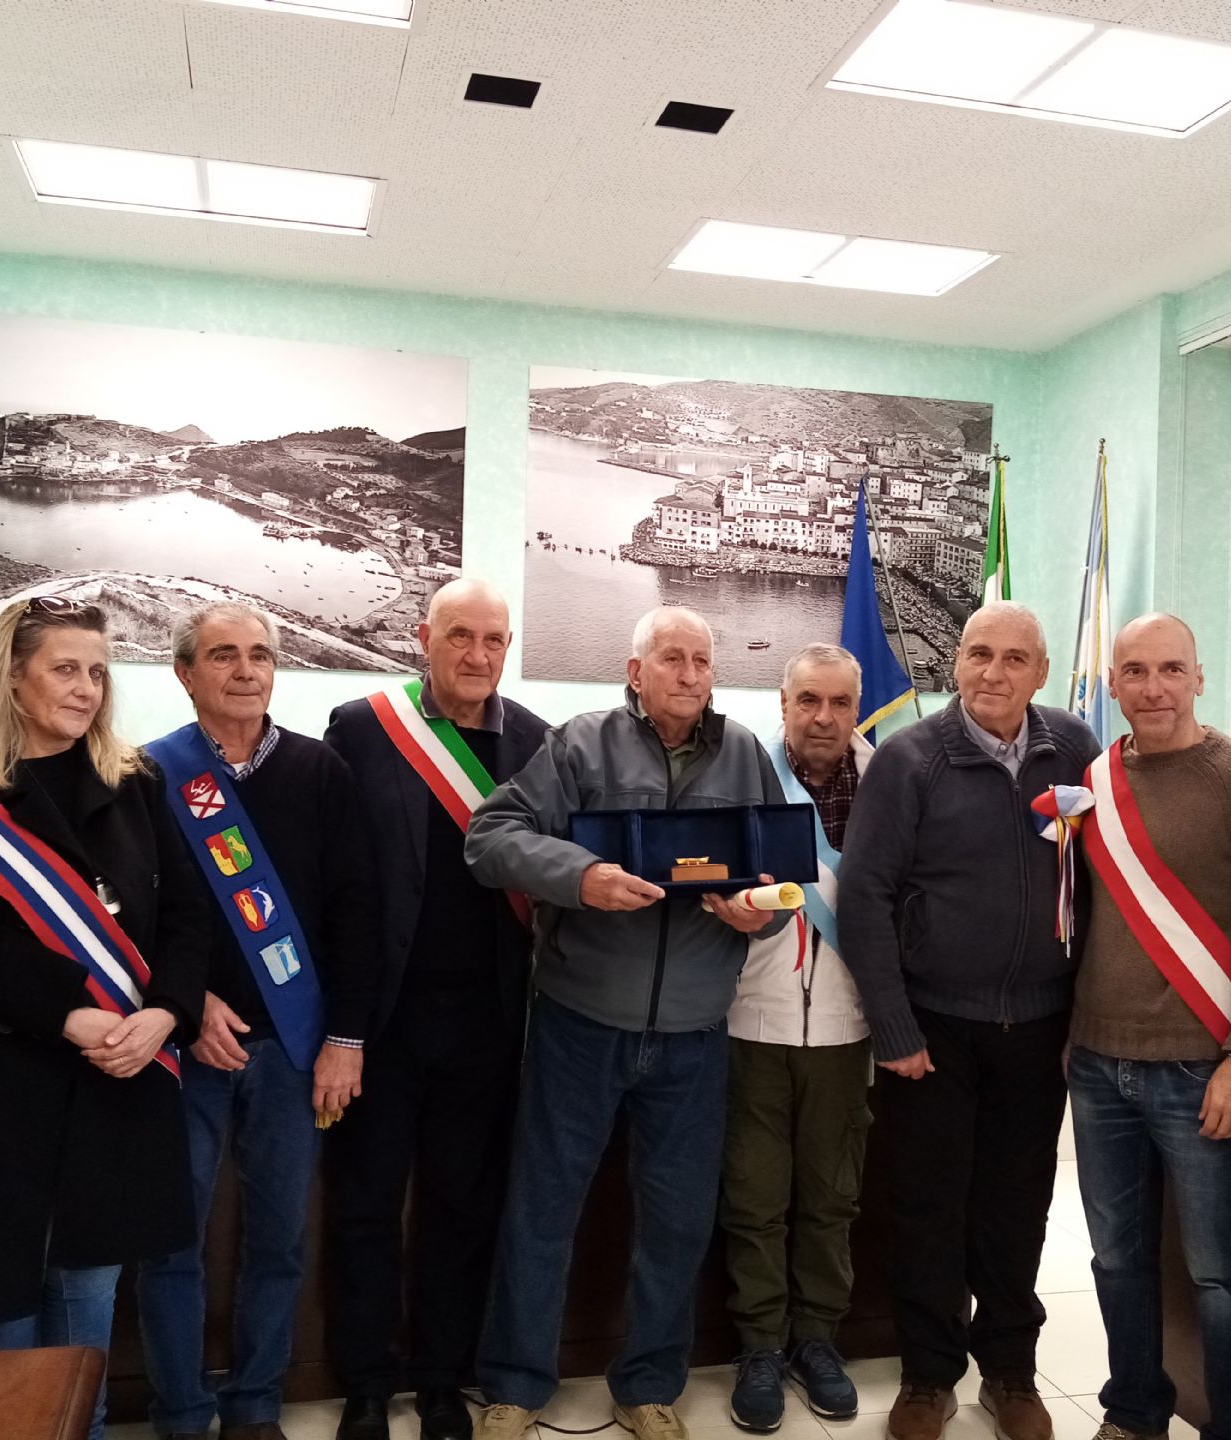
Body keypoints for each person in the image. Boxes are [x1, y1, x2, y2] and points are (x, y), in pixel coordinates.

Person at [0, 595, 207, 1440]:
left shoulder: (136, 783)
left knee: (86, 1297)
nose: (87, 688)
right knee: (1, 1312)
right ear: (11, 677)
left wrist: (167, 1012)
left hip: (117, 1080)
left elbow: (186, 917)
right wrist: (67, 1012)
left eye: (97, 672)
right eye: (65, 669)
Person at [464, 606, 788, 1440]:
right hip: (579, 1023)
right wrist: (581, 876)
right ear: (636, 671)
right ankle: (514, 1384)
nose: (690, 674)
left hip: (694, 1035)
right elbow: (490, 837)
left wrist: (764, 912)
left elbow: (781, 878)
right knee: (542, 1208)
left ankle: (648, 1385)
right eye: (672, 658)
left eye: (702, 661)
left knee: (677, 1221)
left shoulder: (746, 754)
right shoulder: (581, 743)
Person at [840, 601, 1101, 1440]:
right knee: (928, 1207)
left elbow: (1101, 887)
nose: (994, 672)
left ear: (1042, 671)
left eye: (1015, 658)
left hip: (1040, 1026)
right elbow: (866, 895)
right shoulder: (910, 758)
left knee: (1018, 1208)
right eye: (979, 653)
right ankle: (927, 1376)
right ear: (955, 662)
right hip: (934, 1029)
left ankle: (1011, 1371)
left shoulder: (1077, 750)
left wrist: (1083, 1016)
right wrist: (894, 1027)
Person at [136, 603, 379, 1440]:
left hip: (292, 1048)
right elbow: (131, 915)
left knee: (279, 1241)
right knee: (172, 1243)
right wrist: (186, 1002)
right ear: (185, 672)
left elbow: (356, 912)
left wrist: (345, 1039)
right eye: (223, 655)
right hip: (185, 1047)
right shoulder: (148, 775)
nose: (245, 671)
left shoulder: (320, 772)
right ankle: (179, 1412)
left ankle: (254, 1407)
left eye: (260, 655)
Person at [318, 578, 547, 1440]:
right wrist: (340, 1025)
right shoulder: (362, 727)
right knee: (366, 1207)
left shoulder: (535, 740)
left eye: (494, 640)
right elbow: (336, 879)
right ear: (424, 638)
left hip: (487, 1022)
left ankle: (442, 1377)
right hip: (383, 1020)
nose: (478, 656)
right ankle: (366, 1384)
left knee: (462, 1206)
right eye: (460, 636)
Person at [1066, 615, 1231, 1440]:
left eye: (1170, 670)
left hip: (1203, 1070)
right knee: (1116, 1258)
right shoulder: (1095, 779)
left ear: (1199, 677)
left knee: (1221, 1274)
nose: (1153, 688)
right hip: (1098, 1066)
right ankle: (1134, 1412)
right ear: (1113, 683)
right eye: (1135, 671)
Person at [721, 642, 874, 1433]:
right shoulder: (741, 776)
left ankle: (817, 1340)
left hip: (848, 1028)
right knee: (754, 1198)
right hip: (752, 1019)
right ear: (783, 704)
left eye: (839, 702)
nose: (823, 717)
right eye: (808, 700)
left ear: (857, 709)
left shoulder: (890, 783)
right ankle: (759, 1346)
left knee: (830, 1197)